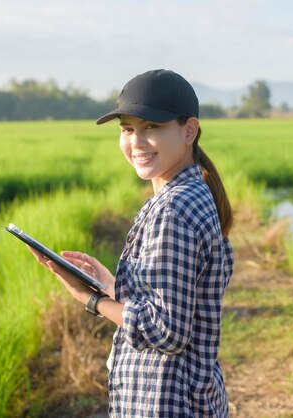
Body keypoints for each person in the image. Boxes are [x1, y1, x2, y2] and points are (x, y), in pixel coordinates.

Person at [28, 69, 234, 417]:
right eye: (127, 129)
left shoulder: (172, 209)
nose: (135, 142)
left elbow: (167, 331)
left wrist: (90, 299)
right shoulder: (189, 193)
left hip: (166, 401)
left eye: (151, 127)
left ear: (189, 130)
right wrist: (111, 285)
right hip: (190, 397)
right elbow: (177, 299)